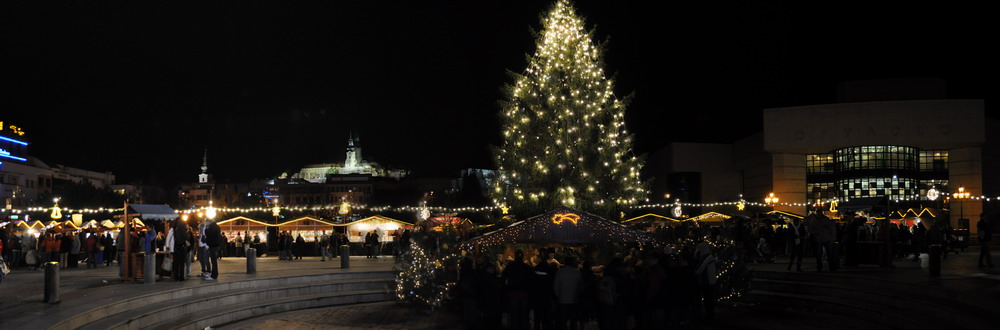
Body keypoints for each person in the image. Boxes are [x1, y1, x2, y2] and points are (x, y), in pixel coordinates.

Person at [501, 250, 533, 330]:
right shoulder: (527, 267)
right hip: (524, 293)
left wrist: (506, 289)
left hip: (513, 293)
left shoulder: (510, 267)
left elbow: (503, 279)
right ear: (522, 257)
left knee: (514, 315)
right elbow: (532, 280)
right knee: (524, 314)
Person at [553, 256, 583, 330]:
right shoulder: (577, 272)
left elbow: (556, 285)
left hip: (563, 299)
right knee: (573, 320)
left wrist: (558, 295)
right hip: (574, 300)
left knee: (563, 320)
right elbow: (581, 287)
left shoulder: (560, 272)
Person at [694, 242, 718, 322]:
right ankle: (710, 316)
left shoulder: (706, 258)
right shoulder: (710, 257)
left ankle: (709, 318)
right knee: (709, 301)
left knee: (708, 301)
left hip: (707, 283)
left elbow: (698, 270)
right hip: (710, 282)